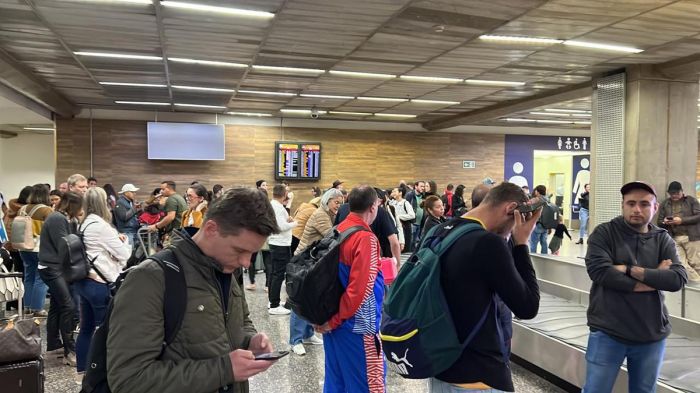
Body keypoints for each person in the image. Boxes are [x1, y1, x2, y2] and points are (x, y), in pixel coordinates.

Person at [107, 188, 280, 393]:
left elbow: (239, 321)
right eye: (240, 250)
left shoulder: (226, 268)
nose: (245, 262)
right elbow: (129, 379)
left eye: (253, 253)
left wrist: (250, 340)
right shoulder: (151, 278)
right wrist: (224, 369)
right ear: (211, 229)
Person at [432, 182, 540, 392]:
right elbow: (528, 307)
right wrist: (521, 243)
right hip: (479, 375)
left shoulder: (441, 230)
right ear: (510, 209)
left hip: (441, 367)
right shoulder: (487, 243)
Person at [583, 181, 687, 393]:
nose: (637, 209)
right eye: (630, 203)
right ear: (622, 205)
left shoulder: (662, 238)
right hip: (607, 331)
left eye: (644, 204)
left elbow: (677, 279)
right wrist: (655, 276)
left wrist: (627, 269)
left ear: (655, 208)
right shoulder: (605, 233)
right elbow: (600, 272)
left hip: (651, 335)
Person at [315, 186, 386, 393]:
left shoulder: (338, 229)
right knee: (368, 385)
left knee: (336, 383)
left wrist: (330, 321)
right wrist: (336, 320)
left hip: (334, 323)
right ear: (373, 207)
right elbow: (360, 291)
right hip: (357, 326)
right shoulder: (365, 238)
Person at [75, 187, 130, 377]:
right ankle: (104, 371)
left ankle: (83, 369)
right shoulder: (102, 226)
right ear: (103, 202)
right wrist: (123, 241)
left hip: (84, 281)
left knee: (86, 327)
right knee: (106, 330)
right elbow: (124, 254)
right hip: (99, 283)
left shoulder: (83, 224)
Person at [289, 188, 344, 355]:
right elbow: (333, 236)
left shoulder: (328, 214)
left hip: (312, 263)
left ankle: (308, 334)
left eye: (341, 203)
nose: (338, 206)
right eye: (336, 202)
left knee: (311, 300)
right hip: (303, 263)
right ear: (327, 201)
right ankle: (295, 340)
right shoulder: (321, 215)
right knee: (301, 300)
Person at [39, 191, 83, 367]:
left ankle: (53, 345)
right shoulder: (58, 219)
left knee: (57, 306)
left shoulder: (63, 218)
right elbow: (63, 245)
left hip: (53, 266)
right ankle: (69, 351)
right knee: (68, 306)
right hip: (52, 267)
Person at [19, 184, 53, 317]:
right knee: (41, 277)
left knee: (29, 276)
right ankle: (37, 308)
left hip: (23, 247)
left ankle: (27, 306)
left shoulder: (22, 208)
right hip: (39, 247)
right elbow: (50, 230)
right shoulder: (46, 211)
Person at [657, 181, 700, 281]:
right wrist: (665, 222)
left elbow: (698, 216)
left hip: (691, 237)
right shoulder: (665, 204)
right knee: (681, 264)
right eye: (672, 193)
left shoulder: (691, 200)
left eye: (677, 193)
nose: (675, 195)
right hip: (674, 238)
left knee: (696, 263)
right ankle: (696, 284)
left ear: (682, 191)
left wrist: (682, 220)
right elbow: (659, 221)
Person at [267, 184, 297, 315]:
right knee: (278, 275)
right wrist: (295, 223)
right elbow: (281, 227)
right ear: (284, 194)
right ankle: (274, 305)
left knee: (275, 274)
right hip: (280, 245)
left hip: (279, 244)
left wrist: (288, 220)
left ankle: (273, 301)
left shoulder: (276, 206)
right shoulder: (276, 206)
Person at [390, 187, 415, 253]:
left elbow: (412, 215)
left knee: (406, 248)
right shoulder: (392, 203)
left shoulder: (405, 203)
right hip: (397, 227)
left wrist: (398, 217)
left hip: (405, 226)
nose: (393, 193)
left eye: (395, 191)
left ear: (400, 193)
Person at [529, 185, 550, 254]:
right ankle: (545, 256)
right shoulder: (547, 199)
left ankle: (533, 256)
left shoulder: (537, 199)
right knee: (544, 242)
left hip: (538, 223)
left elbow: (529, 206)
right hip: (546, 224)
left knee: (533, 242)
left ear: (537, 192)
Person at [405, 181, 425, 251]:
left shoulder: (423, 196)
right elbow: (406, 207)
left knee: (414, 242)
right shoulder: (410, 195)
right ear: (416, 186)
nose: (423, 188)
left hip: (420, 222)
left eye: (423, 186)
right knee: (410, 241)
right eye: (421, 186)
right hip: (412, 222)